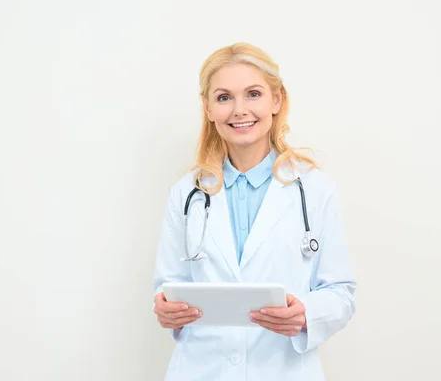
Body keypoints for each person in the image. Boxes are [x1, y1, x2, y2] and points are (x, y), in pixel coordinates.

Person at [152, 42, 356, 381]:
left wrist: (307, 314)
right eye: (223, 97)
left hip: (284, 370)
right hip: (202, 369)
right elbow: (168, 287)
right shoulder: (187, 193)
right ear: (207, 108)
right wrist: (165, 308)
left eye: (253, 94)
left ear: (276, 100)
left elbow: (340, 291)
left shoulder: (316, 190)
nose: (239, 110)